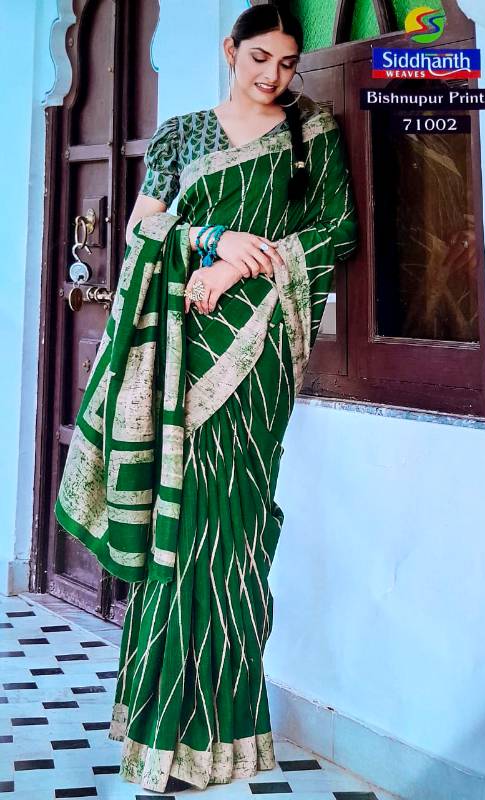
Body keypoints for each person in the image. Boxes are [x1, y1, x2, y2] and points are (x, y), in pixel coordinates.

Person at [54, 1, 358, 793]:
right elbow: (142, 232)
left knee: (233, 531)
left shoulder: (311, 134)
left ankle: (220, 734)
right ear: (230, 50)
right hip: (182, 354)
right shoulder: (183, 135)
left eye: (287, 63)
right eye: (259, 58)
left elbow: (335, 232)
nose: (272, 75)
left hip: (256, 357)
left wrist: (236, 269)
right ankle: (160, 733)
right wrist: (209, 239)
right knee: (180, 526)